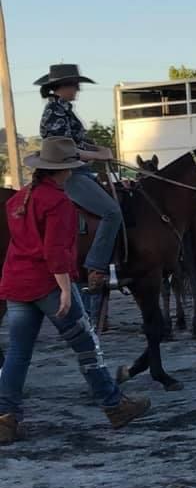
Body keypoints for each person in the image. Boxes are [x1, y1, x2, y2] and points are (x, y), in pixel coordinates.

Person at [0, 137, 150, 445]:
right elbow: (55, 251)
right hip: (48, 285)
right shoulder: (58, 202)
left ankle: (5, 417)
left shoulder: (19, 199)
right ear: (62, 170)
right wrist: (66, 289)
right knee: (86, 347)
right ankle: (114, 405)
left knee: (17, 353)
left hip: (16, 284)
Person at [35, 64, 120, 293]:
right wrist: (98, 155)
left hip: (80, 170)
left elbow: (78, 142)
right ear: (62, 87)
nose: (78, 89)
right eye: (75, 85)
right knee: (112, 212)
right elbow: (65, 151)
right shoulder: (54, 112)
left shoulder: (63, 110)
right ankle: (96, 266)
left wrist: (100, 149)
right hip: (69, 173)